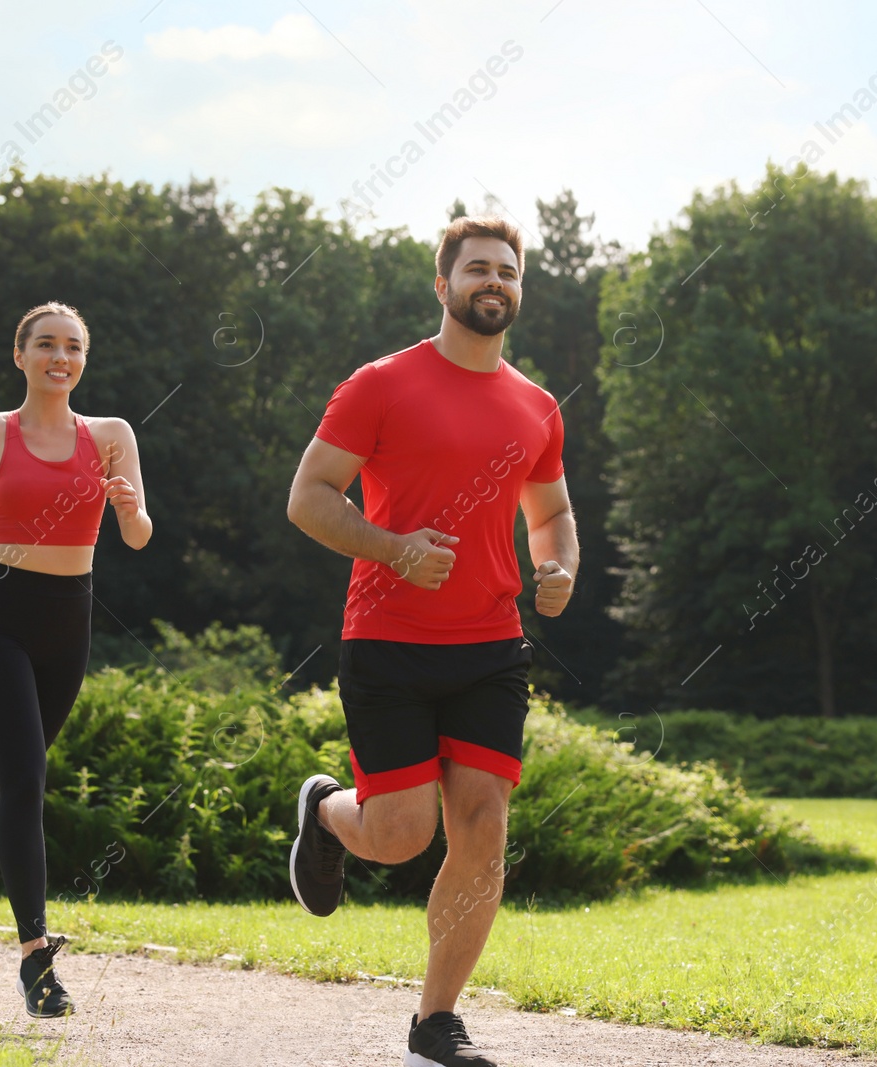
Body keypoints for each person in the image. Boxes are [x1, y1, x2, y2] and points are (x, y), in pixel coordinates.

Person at [285, 216, 578, 1066]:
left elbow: (551, 512)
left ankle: (436, 1022)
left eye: (509, 271)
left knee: (482, 823)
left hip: (491, 643)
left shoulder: (536, 405)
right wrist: (393, 548)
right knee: (404, 833)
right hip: (387, 639)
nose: (495, 281)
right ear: (442, 285)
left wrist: (557, 564)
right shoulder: (380, 384)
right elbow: (309, 497)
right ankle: (328, 812)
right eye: (478, 268)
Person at [0, 301, 151, 1019]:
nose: (60, 357)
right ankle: (35, 956)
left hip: (67, 624)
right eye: (45, 344)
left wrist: (130, 506)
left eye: (73, 346)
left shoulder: (111, 436)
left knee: (6, 779)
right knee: (25, 779)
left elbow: (137, 536)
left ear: (84, 359)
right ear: (20, 355)